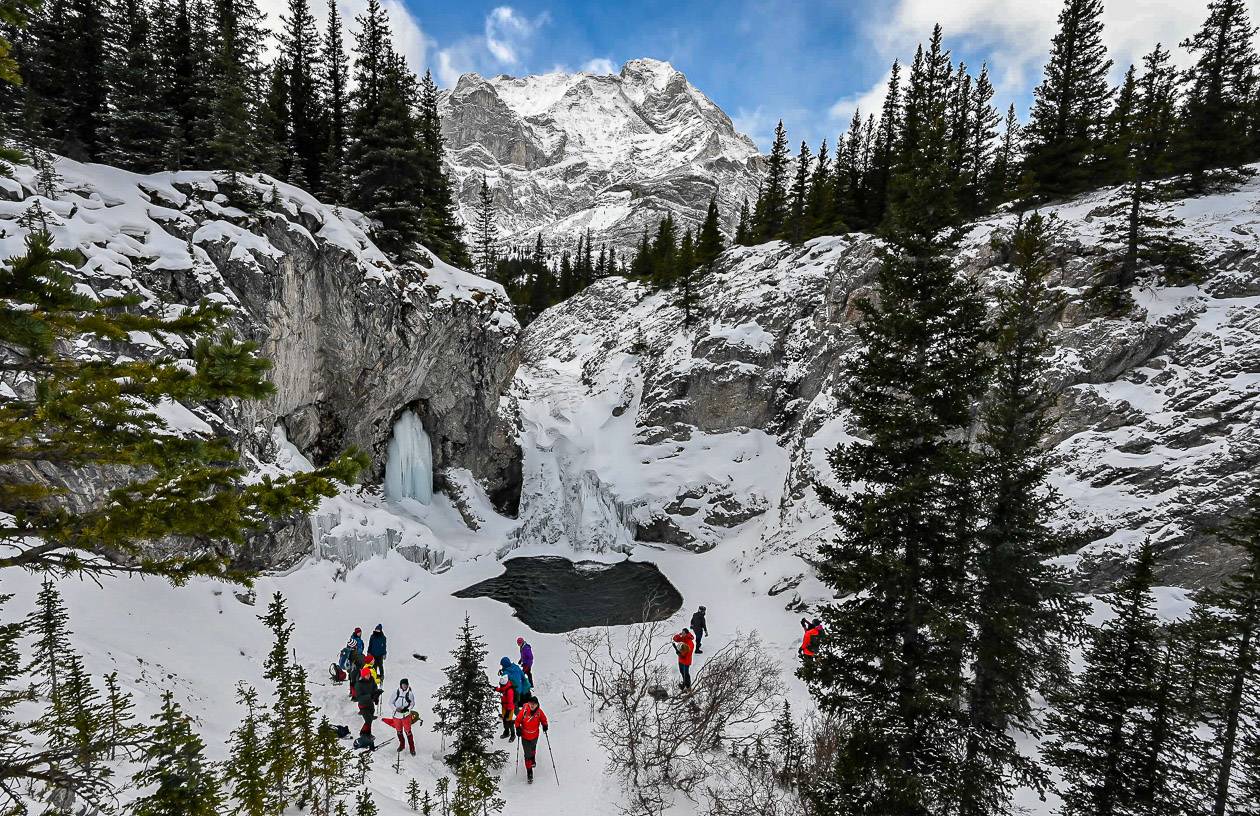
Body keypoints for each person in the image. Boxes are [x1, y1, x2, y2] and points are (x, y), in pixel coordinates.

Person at [514, 697, 549, 784]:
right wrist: (518, 728)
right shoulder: (524, 710)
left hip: (535, 735)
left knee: (533, 749)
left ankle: (533, 759)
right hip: (525, 736)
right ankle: (529, 772)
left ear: (537, 704)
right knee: (527, 754)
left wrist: (545, 725)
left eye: (534, 704)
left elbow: (544, 719)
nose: (532, 705)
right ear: (528, 703)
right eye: (531, 703)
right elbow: (517, 720)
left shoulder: (539, 712)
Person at [388, 678, 417, 755]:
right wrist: (395, 709)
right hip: (396, 716)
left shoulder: (410, 694)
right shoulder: (396, 692)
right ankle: (402, 745)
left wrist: (407, 709)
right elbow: (390, 702)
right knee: (399, 731)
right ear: (400, 685)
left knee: (408, 731)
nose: (404, 686)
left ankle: (412, 748)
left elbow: (412, 704)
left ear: (407, 685)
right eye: (403, 684)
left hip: (405, 716)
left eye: (406, 685)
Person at [353, 666, 378, 743]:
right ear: (363, 676)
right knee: (368, 720)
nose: (369, 676)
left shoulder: (371, 679)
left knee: (369, 720)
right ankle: (364, 733)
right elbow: (359, 697)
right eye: (367, 675)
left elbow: (374, 687)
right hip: (363, 705)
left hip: (370, 703)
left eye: (369, 674)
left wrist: (376, 696)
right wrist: (370, 696)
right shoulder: (358, 684)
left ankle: (366, 733)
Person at [672, 628, 695, 692]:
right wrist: (679, 635)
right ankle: (684, 684)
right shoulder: (682, 638)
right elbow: (675, 639)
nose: (682, 634)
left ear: (687, 633)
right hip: (680, 660)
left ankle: (688, 688)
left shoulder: (690, 643)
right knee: (682, 672)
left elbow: (688, 653)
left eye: (683, 633)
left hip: (686, 661)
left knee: (686, 674)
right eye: (682, 632)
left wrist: (680, 654)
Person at [496, 676, 516, 741]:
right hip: (504, 706)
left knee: (509, 722)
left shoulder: (510, 691)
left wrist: (508, 712)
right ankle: (506, 732)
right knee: (504, 721)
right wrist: (496, 689)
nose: (500, 685)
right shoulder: (504, 687)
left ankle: (513, 735)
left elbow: (510, 702)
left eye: (501, 685)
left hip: (509, 709)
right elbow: (501, 690)